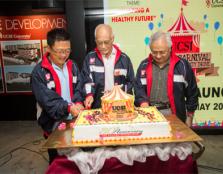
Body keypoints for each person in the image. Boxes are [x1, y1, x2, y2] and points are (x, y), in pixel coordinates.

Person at [31, 28, 84, 163]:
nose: (64, 55)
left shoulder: (72, 66)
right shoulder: (39, 72)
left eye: (67, 51)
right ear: (48, 48)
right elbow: (48, 101)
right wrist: (67, 107)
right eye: (60, 51)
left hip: (75, 121)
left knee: (78, 161)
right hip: (53, 125)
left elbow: (79, 87)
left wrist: (78, 102)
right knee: (58, 163)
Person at [134, 31, 198, 127]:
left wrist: (189, 117)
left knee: (175, 141)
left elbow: (192, 93)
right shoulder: (144, 65)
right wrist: (143, 103)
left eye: (162, 52)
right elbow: (138, 88)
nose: (158, 56)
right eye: (154, 52)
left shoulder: (182, 66)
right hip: (149, 113)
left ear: (170, 48)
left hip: (173, 114)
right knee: (151, 141)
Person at [82, 24, 135, 109]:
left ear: (112, 39)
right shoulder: (90, 58)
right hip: (97, 105)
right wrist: (89, 95)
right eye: (99, 43)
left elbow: (131, 81)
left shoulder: (124, 59)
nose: (103, 46)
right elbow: (86, 80)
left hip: (119, 105)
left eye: (106, 42)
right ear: (95, 40)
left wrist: (120, 92)